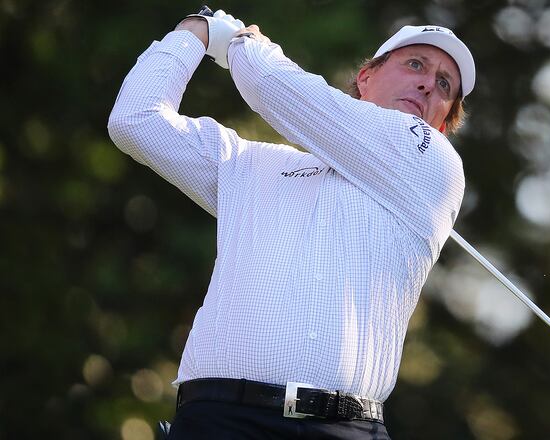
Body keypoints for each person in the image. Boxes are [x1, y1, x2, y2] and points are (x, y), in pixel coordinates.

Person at [108, 6, 475, 439]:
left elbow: (269, 83)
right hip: (215, 420)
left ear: (443, 124)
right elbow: (135, 121)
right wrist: (191, 34)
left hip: (339, 428)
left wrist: (238, 41)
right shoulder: (252, 164)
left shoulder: (433, 164)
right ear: (366, 77)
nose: (428, 83)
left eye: (445, 84)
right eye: (416, 63)